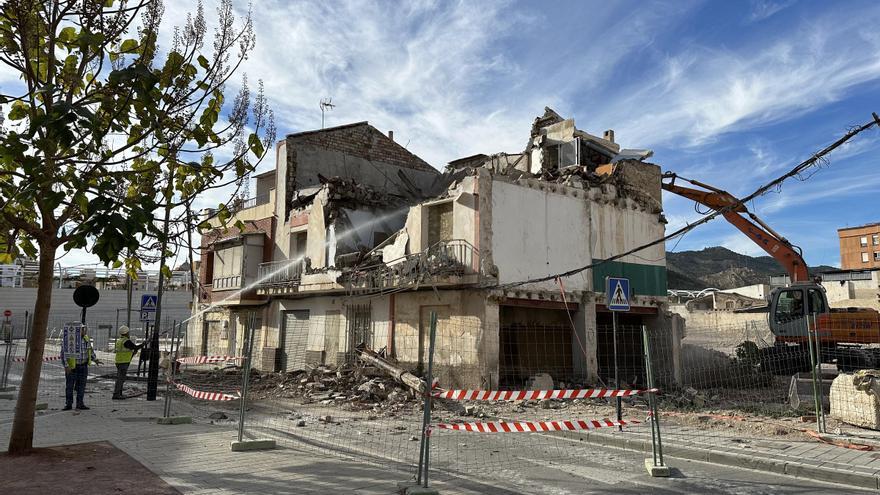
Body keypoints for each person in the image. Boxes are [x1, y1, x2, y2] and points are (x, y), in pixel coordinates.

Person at [61, 324, 98, 411]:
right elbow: (64, 354)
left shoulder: (86, 339)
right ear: (76, 330)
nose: (84, 331)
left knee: (81, 386)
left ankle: (80, 403)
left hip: (83, 366)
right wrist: (66, 366)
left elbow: (89, 350)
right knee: (70, 386)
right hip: (72, 367)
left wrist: (95, 359)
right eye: (82, 329)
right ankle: (69, 404)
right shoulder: (70, 340)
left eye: (84, 329)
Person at [112, 326, 144, 400]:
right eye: (128, 332)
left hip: (119, 361)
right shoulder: (126, 341)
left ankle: (119, 394)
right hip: (124, 362)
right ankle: (116, 394)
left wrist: (132, 353)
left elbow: (129, 350)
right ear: (126, 333)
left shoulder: (119, 340)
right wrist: (143, 344)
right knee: (121, 379)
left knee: (120, 378)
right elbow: (135, 347)